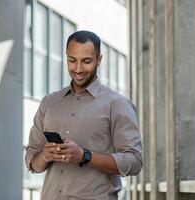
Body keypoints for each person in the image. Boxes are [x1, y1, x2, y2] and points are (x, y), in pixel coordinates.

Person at [25, 30, 143, 200]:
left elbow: (134, 162)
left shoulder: (117, 104)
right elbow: (32, 163)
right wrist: (44, 155)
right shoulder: (49, 103)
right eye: (72, 60)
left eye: (86, 61)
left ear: (99, 60)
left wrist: (85, 156)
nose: (78, 69)